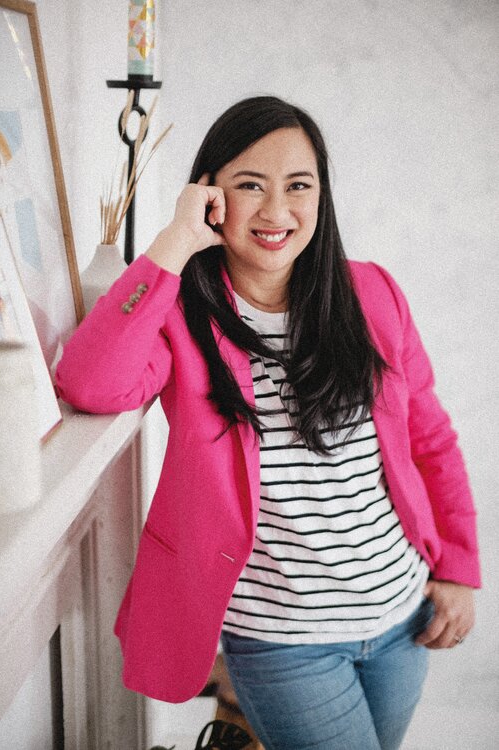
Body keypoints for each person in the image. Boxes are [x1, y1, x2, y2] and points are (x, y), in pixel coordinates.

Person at [56, 96, 480, 750]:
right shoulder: (181, 317)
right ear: (210, 195)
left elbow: (431, 442)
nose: (277, 210)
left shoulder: (371, 293)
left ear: (321, 196)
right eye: (250, 185)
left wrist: (457, 568)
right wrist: (175, 241)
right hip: (283, 642)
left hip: (401, 616)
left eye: (298, 186)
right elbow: (89, 383)